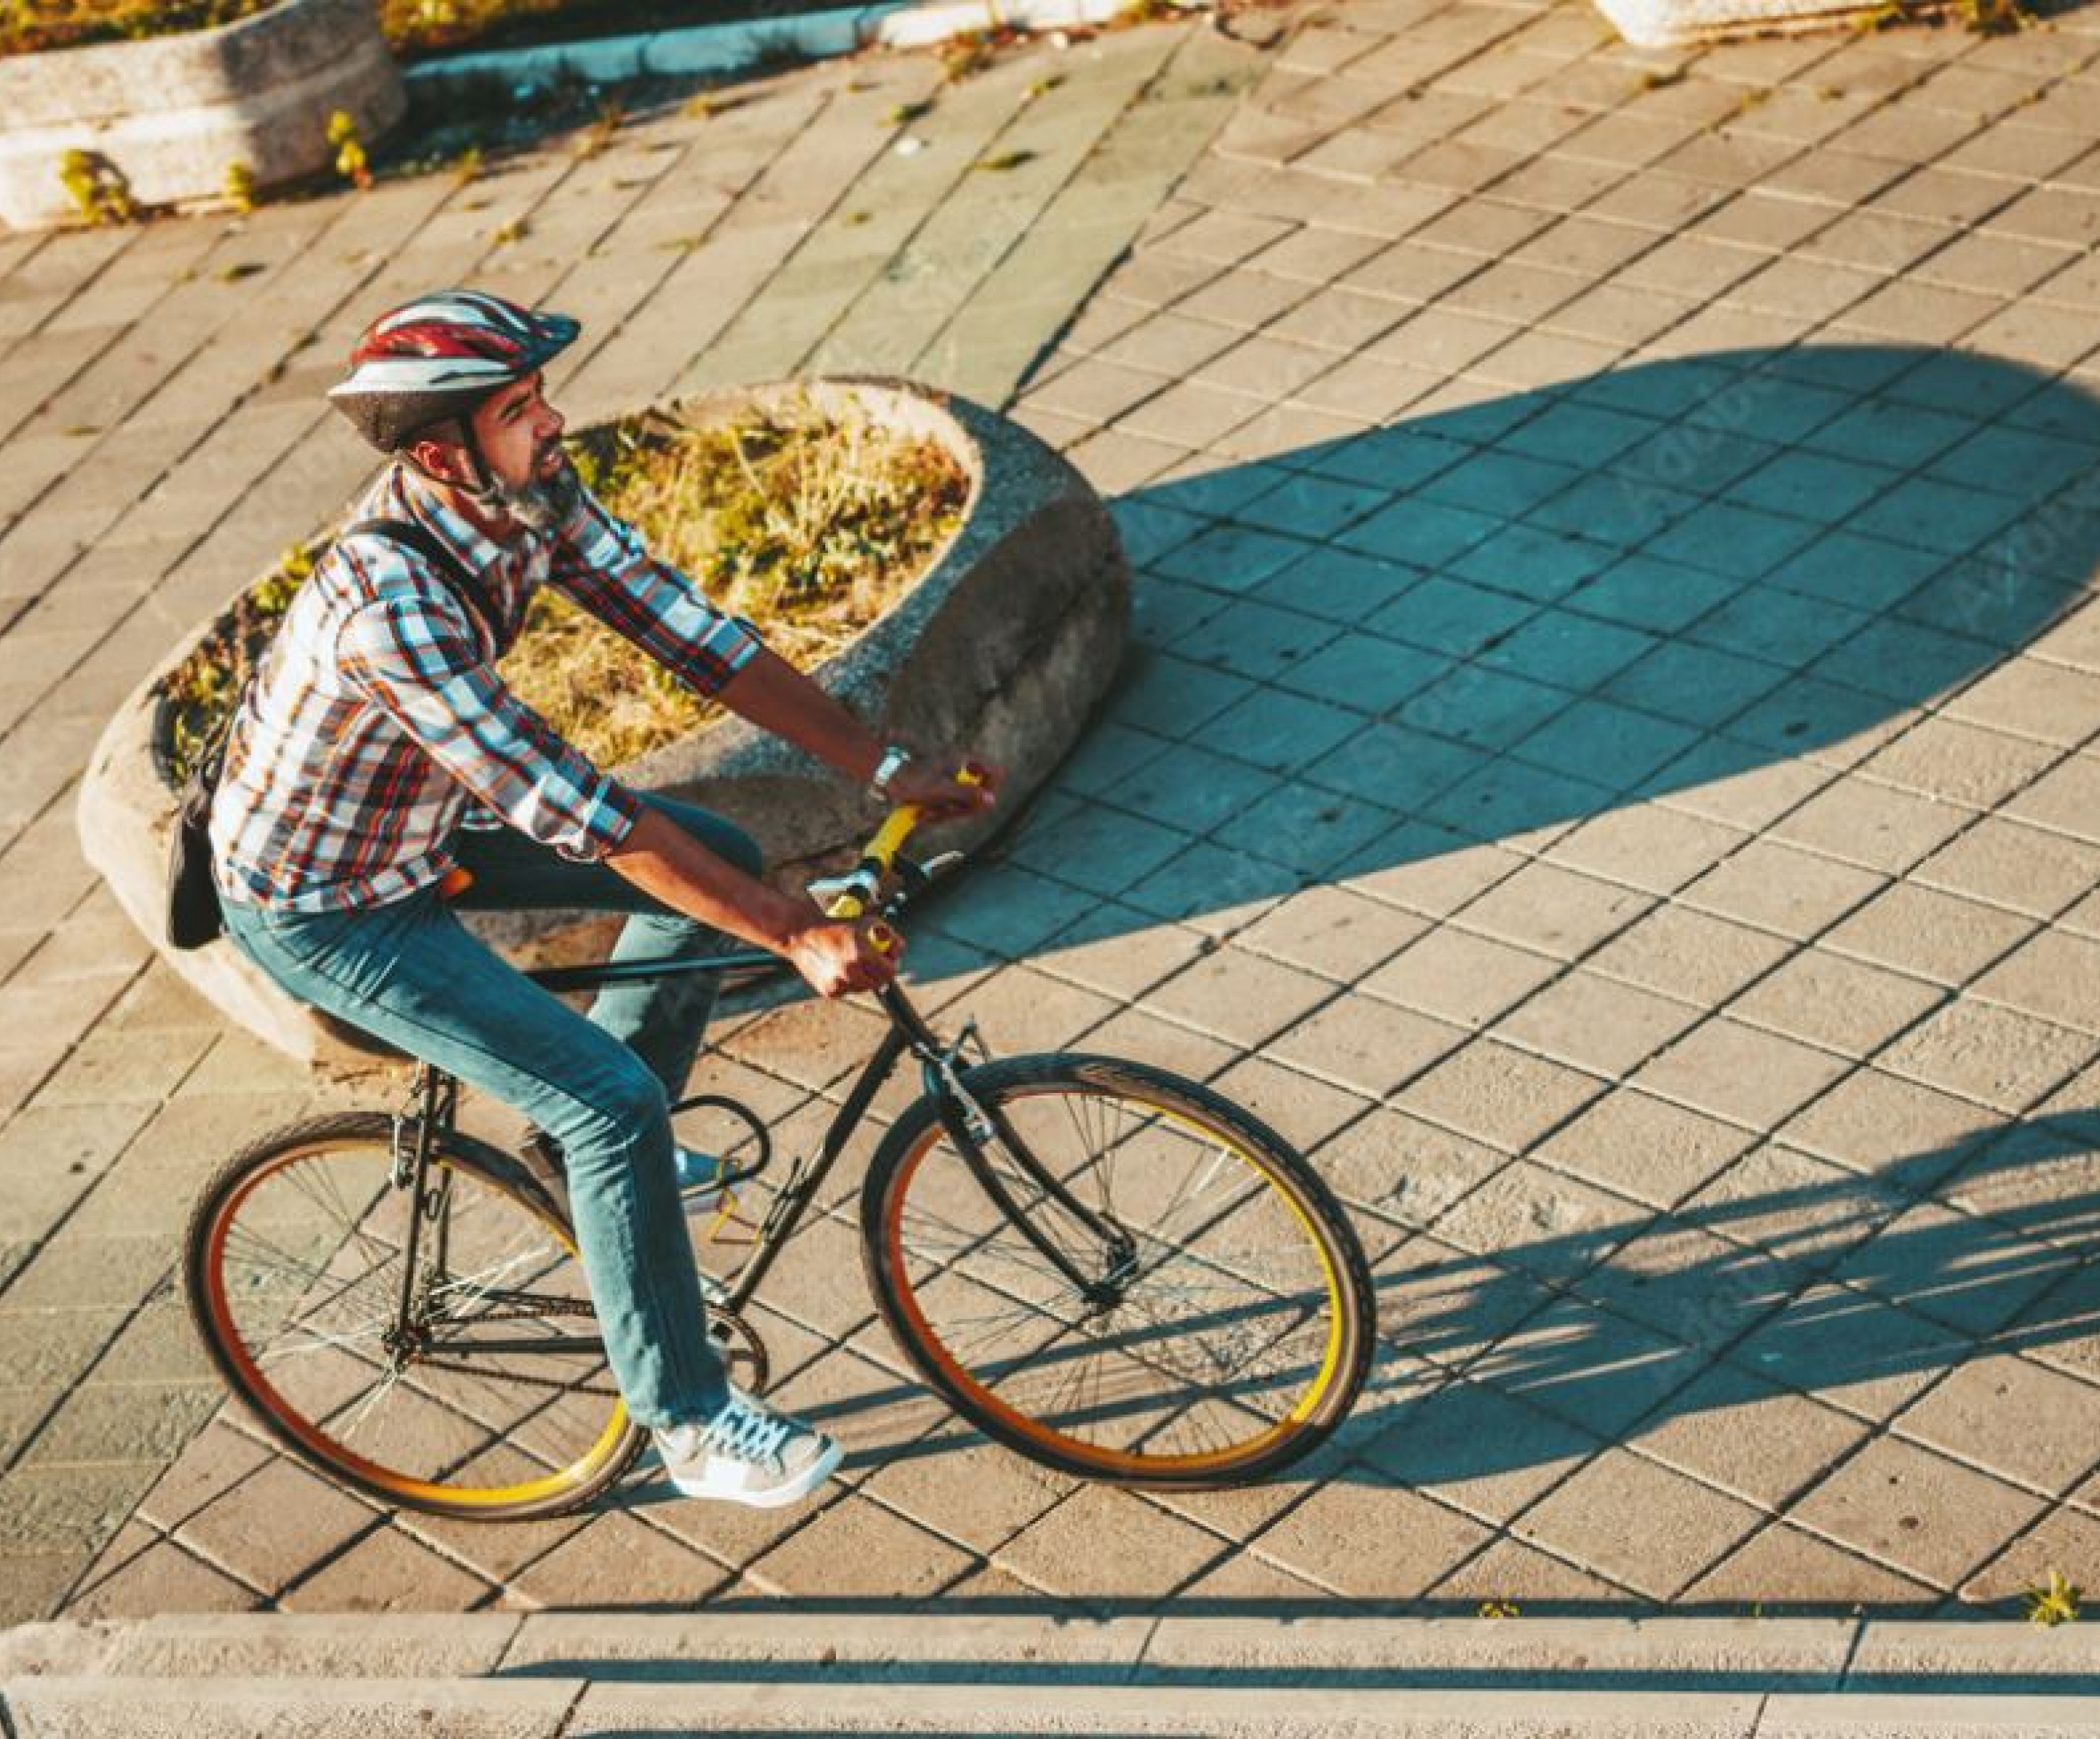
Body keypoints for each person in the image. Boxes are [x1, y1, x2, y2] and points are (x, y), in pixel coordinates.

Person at [208, 289, 997, 1509]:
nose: (553, 422)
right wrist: (793, 931)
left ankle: (585, 1157)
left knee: (712, 851)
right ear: (438, 453)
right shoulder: (393, 606)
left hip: (418, 831)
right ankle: (688, 1422)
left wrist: (886, 765)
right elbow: (582, 812)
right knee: (611, 1102)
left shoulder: (525, 501)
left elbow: (698, 641)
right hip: (326, 902)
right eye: (521, 410)